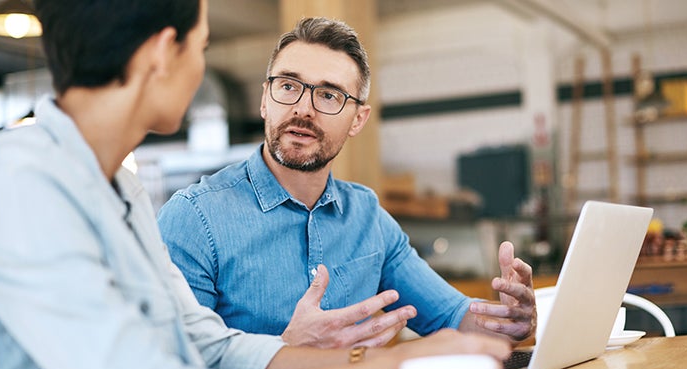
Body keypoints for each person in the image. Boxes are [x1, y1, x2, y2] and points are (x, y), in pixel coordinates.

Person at [0, 1, 513, 369]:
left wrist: (376, 358)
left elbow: (207, 344)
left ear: (357, 117)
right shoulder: (17, 179)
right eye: (202, 46)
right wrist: (393, 368)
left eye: (329, 95)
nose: (201, 69)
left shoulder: (120, 187)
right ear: (161, 54)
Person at [157, 16, 537, 349]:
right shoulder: (193, 219)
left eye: (328, 95)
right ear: (264, 100)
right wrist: (286, 349)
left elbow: (454, 318)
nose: (303, 108)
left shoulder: (367, 217)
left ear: (358, 119)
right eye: (288, 86)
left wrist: (509, 322)